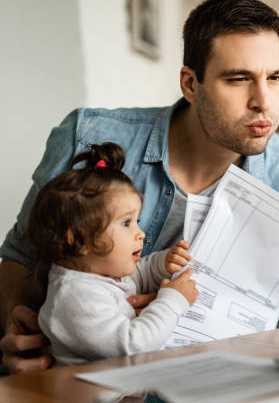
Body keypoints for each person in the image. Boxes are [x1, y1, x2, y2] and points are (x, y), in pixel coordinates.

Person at [0, 0, 279, 374]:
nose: (263, 101)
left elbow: (274, 317)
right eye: (238, 79)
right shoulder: (87, 137)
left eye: (275, 77)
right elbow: (20, 260)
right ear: (190, 84)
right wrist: (17, 328)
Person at [30, 142, 198, 365]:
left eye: (137, 221)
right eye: (127, 222)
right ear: (80, 240)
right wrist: (172, 302)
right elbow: (132, 345)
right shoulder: (76, 296)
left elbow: (137, 275)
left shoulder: (100, 272)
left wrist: (164, 264)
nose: (141, 233)